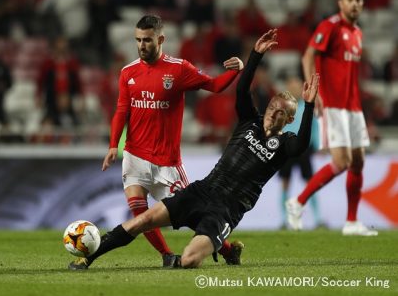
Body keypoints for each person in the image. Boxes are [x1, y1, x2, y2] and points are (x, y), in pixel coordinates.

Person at [69, 29, 319, 270]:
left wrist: (308, 106)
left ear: (288, 120)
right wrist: (256, 54)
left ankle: (218, 250)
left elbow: (302, 145)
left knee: (189, 260)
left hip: (226, 210)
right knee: (142, 220)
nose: (274, 112)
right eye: (274, 105)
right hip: (202, 190)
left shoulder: (286, 143)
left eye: (282, 112)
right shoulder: (249, 121)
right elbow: (242, 90)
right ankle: (88, 258)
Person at [101, 15, 244, 267]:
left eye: (147, 40)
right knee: (139, 211)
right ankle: (167, 256)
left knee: (193, 214)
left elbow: (214, 86)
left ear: (161, 39)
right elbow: (122, 110)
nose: (142, 45)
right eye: (138, 40)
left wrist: (235, 71)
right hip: (134, 155)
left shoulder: (179, 69)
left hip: (167, 162)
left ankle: (229, 250)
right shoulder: (128, 73)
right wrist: (114, 145)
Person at [286, 0, 377, 236]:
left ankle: (351, 222)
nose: (355, 4)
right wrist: (315, 94)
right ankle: (298, 202)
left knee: (357, 162)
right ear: (340, 2)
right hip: (334, 105)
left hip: (353, 107)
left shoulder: (357, 32)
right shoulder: (330, 26)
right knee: (341, 161)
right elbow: (308, 56)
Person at [278, 75, 323, 229]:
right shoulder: (283, 108)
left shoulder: (308, 106)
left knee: (311, 183)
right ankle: (284, 220)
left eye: (296, 87)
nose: (294, 90)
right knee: (285, 183)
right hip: (286, 149)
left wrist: (316, 146)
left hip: (304, 150)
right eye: (291, 87)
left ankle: (318, 219)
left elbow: (314, 126)